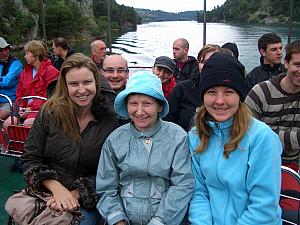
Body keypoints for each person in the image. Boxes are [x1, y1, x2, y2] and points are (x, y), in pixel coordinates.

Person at [21, 53, 119, 225]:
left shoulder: (110, 120)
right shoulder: (49, 113)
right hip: (47, 191)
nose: (81, 90)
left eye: (87, 82)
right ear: (65, 86)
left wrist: (77, 193)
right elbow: (31, 157)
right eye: (74, 84)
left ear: (96, 82)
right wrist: (56, 188)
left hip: (89, 198)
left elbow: (113, 170)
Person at [188, 52, 282, 225]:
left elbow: (263, 207)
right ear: (203, 95)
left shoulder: (262, 138)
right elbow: (198, 193)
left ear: (240, 96)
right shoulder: (195, 136)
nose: (220, 101)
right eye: (211, 92)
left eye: (228, 92)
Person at [96, 71, 194, 225]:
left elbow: (182, 185)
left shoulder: (178, 137)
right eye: (133, 103)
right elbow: (106, 187)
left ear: (160, 106)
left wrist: (159, 221)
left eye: (147, 104)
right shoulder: (114, 140)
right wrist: (117, 219)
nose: (139, 111)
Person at [245, 40, 300, 172]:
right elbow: (246, 132)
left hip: (293, 164)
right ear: (286, 63)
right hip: (258, 162)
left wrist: (268, 134)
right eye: (297, 65)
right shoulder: (260, 93)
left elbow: (260, 135)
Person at [165, 44, 221, 132]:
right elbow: (168, 121)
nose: (208, 66)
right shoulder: (182, 89)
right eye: (203, 62)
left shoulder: (230, 93)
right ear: (198, 64)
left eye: (213, 62)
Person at [4, 40, 59, 127]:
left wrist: (31, 108)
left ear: (36, 55)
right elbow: (19, 93)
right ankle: (14, 140)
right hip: (24, 108)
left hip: (42, 109)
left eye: (27, 53)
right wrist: (20, 107)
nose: (25, 56)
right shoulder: (25, 72)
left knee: (27, 124)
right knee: (7, 124)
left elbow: (51, 96)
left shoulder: (51, 71)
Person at [0, 37, 23, 120]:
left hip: (10, 101)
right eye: (1, 51)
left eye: (6, 49)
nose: (4, 53)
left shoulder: (16, 64)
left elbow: (7, 81)